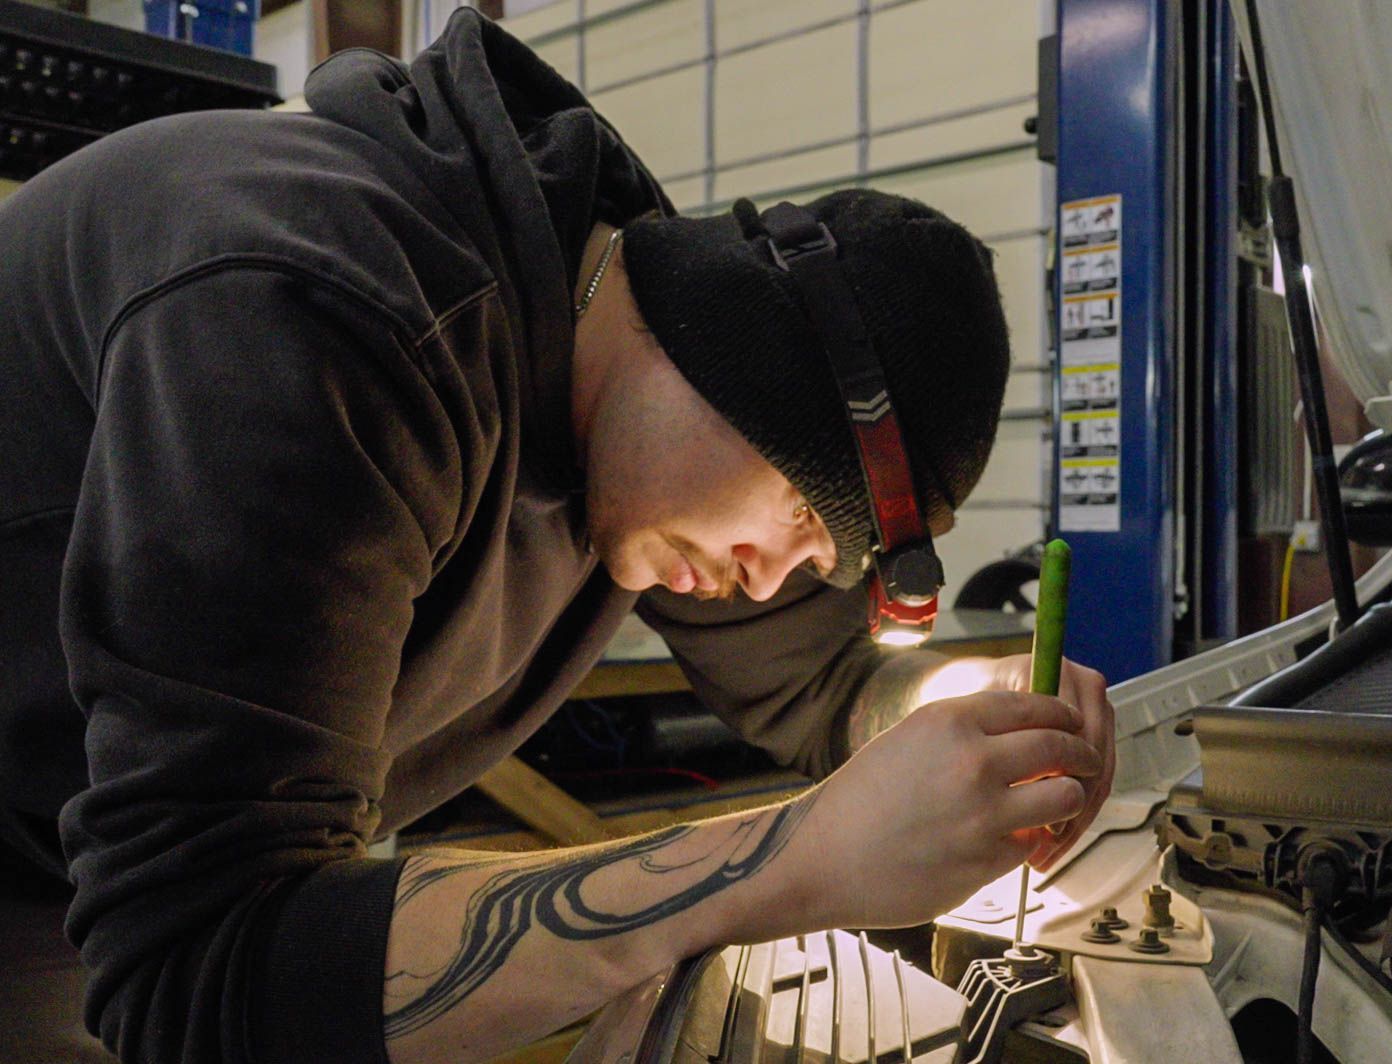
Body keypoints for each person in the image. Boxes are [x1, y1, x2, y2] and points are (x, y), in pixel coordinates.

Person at [0, 8, 1115, 1064]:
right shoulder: (318, 314)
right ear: (731, 357)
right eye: (796, 515)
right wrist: (791, 857)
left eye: (820, 561)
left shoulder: (630, 373)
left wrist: (957, 708)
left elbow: (821, 681)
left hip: (127, 874)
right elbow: (199, 962)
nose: (769, 578)